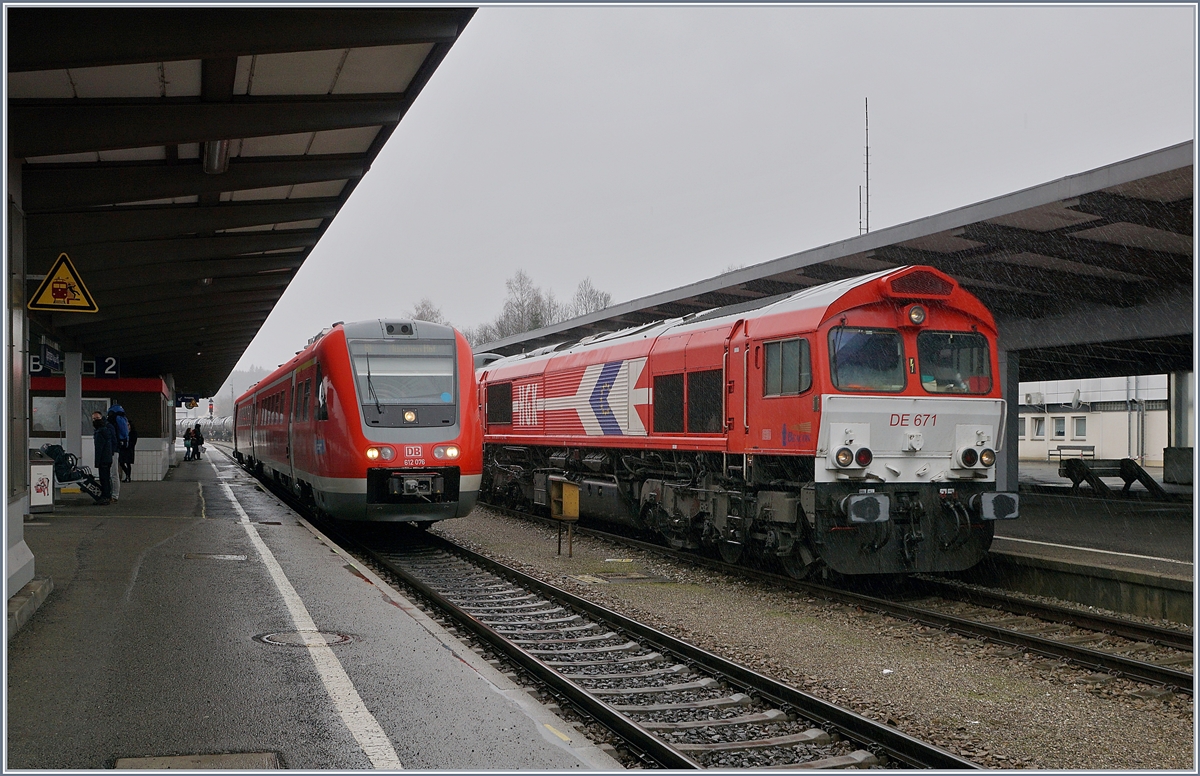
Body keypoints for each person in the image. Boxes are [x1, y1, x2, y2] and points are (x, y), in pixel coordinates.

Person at [91, 411, 116, 505]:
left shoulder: (99, 433)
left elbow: (99, 449)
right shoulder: (106, 430)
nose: (95, 420)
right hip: (108, 458)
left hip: (103, 459)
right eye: (94, 418)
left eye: (97, 418)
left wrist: (97, 461)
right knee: (106, 478)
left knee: (104, 479)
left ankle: (105, 497)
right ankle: (107, 496)